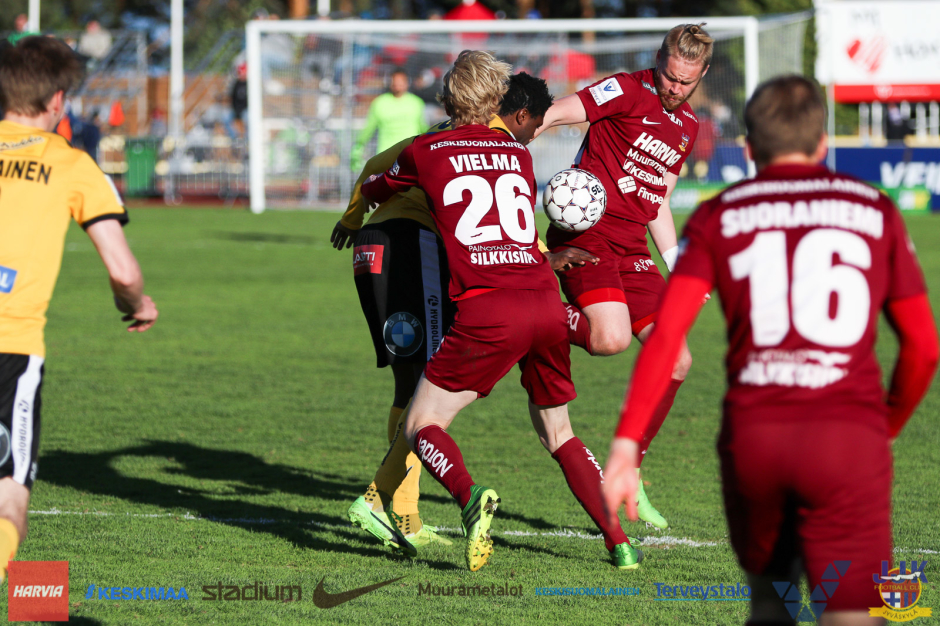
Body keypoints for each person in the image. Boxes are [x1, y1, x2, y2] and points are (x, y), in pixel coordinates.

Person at [603, 75, 938, 626]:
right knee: (852, 611)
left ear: (749, 149)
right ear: (823, 143)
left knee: (771, 605)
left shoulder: (718, 214)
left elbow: (666, 338)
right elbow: (923, 348)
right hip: (846, 441)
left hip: (757, 442)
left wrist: (624, 445)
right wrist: (886, 427)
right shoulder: (876, 210)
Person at [360, 50, 640, 572]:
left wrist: (362, 208)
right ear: (496, 99)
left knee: (422, 422)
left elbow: (377, 185)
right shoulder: (518, 153)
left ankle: (469, 497)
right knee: (559, 432)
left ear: (447, 97)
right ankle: (619, 542)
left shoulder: (427, 149)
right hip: (545, 299)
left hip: (489, 310)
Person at [532, 23, 715, 530]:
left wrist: (677, 262)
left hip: (633, 247)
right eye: (669, 76)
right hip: (586, 235)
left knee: (677, 360)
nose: (674, 87)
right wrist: (507, 138)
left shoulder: (688, 126)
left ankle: (631, 472)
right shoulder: (628, 89)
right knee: (609, 340)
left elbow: (657, 203)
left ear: (702, 75)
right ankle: (536, 309)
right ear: (658, 59)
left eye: (685, 81)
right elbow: (558, 112)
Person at [0, 36, 159, 582]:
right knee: (8, 498)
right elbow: (124, 271)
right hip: (10, 349)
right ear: (56, 101)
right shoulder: (70, 164)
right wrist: (136, 304)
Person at [349, 69, 428, 174]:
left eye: (400, 81)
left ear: (406, 83)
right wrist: (358, 148)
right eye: (395, 80)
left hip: (409, 157)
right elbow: (368, 129)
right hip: (386, 158)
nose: (397, 84)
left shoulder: (416, 103)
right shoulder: (380, 103)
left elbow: (423, 129)